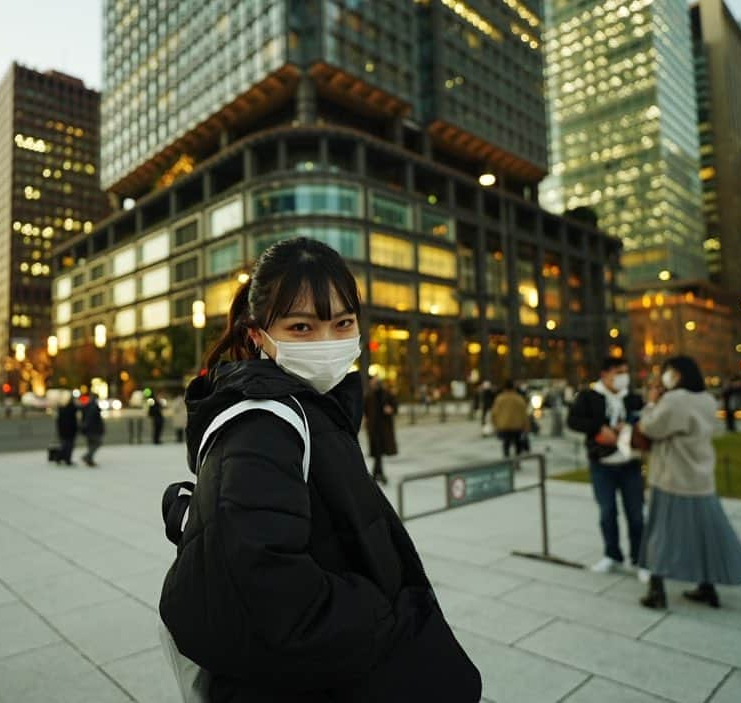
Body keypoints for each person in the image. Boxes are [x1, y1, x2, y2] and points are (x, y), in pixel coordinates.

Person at [159, 237, 482, 702]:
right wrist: (387, 616)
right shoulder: (263, 425)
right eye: (302, 328)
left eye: (342, 323)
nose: (328, 343)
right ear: (257, 334)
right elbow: (268, 589)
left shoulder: (313, 407)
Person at [637, 356, 741, 609]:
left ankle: (656, 590)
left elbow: (651, 428)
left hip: (672, 478)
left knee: (661, 534)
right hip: (701, 479)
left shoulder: (674, 400)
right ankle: (707, 586)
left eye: (667, 371)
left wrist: (650, 404)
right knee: (703, 535)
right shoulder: (707, 400)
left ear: (677, 374)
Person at [567, 358, 645, 574]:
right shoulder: (589, 396)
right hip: (602, 464)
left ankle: (639, 558)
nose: (623, 377)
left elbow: (644, 420)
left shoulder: (632, 397)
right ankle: (612, 554)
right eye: (618, 372)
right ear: (605, 374)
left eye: (625, 372)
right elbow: (573, 420)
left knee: (636, 514)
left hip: (630, 463)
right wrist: (598, 430)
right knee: (607, 512)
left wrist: (627, 428)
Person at [364, 375, 398, 484]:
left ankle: (376, 475)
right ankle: (378, 475)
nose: (372, 385)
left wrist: (391, 409)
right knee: (378, 452)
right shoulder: (370, 396)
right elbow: (365, 410)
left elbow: (395, 406)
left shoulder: (386, 394)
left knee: (379, 453)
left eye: (374, 383)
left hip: (384, 429)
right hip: (373, 429)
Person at [490, 380, 529, 458]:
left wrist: (495, 425)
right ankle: (517, 462)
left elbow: (494, 414)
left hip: (504, 427)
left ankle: (507, 461)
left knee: (506, 445)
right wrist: (526, 427)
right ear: (513, 388)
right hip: (517, 427)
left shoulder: (499, 399)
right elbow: (524, 414)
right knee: (518, 445)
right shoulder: (519, 399)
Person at [80, 393, 104, 467]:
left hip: (89, 429)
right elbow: (91, 419)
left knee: (91, 444)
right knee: (97, 443)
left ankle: (89, 459)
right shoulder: (93, 406)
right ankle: (87, 457)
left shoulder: (87, 406)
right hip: (93, 429)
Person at [56, 398, 78, 466]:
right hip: (70, 431)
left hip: (63, 431)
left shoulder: (63, 410)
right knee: (69, 446)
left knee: (65, 445)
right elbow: (73, 423)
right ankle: (65, 459)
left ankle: (60, 458)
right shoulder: (72, 410)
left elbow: (59, 422)